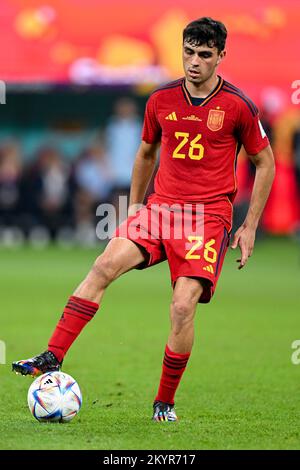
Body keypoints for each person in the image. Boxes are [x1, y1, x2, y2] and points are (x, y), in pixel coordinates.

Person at [12, 17, 275, 422]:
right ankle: (53, 355)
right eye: (189, 52)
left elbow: (265, 162)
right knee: (103, 265)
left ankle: (164, 403)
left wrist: (250, 224)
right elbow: (146, 154)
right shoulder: (160, 100)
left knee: (182, 307)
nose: (194, 62)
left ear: (221, 56)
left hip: (206, 218)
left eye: (205, 55)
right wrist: (136, 207)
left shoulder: (238, 105)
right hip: (160, 209)